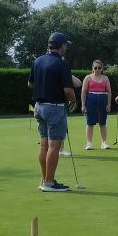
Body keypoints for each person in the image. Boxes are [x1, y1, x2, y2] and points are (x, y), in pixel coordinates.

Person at [28, 31, 77, 192]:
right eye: (66, 45)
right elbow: (68, 90)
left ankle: (45, 180)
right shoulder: (61, 64)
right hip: (54, 108)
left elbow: (30, 84)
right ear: (61, 46)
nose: (66, 48)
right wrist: (74, 101)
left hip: (39, 107)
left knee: (44, 144)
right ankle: (49, 183)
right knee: (54, 146)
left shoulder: (38, 61)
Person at [81, 59, 112, 150]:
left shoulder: (105, 78)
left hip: (102, 100)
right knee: (90, 123)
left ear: (102, 68)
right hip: (90, 101)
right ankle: (89, 143)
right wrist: (83, 105)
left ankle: (104, 142)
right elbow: (83, 92)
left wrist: (109, 104)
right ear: (92, 68)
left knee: (102, 122)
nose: (97, 69)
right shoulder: (88, 77)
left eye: (99, 67)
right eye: (95, 67)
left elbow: (109, 92)